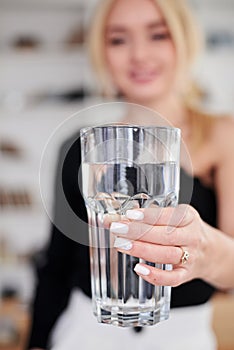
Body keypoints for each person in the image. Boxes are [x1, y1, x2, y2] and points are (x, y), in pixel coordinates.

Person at [26, 0, 234, 349]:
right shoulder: (78, 148)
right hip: (83, 335)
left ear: (184, 40)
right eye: (118, 39)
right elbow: (56, 269)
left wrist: (207, 251)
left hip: (182, 339)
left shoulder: (223, 137)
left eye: (158, 35)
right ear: (101, 52)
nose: (139, 54)